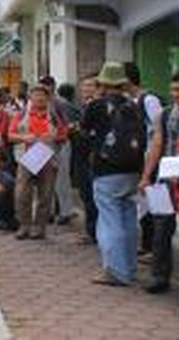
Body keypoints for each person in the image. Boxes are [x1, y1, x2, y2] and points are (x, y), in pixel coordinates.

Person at [81, 62, 146, 286]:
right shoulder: (134, 105)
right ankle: (130, 268)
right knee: (128, 218)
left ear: (103, 83)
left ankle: (115, 271)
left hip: (106, 170)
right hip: (133, 169)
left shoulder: (96, 105)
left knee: (109, 221)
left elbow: (84, 132)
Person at [137, 70, 179, 294]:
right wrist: (147, 176)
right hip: (167, 179)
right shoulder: (165, 115)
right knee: (162, 227)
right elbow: (156, 145)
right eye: (173, 89)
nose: (175, 94)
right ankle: (159, 276)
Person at [9, 85, 68, 240]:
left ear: (47, 98)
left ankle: (39, 227)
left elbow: (63, 135)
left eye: (42, 95)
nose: (39, 98)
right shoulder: (21, 114)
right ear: (30, 98)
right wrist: (24, 137)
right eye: (35, 95)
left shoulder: (54, 116)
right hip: (26, 157)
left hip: (48, 157)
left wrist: (52, 137)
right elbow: (10, 135)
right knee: (22, 192)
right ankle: (24, 225)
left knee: (46, 193)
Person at [124, 63, 163, 261]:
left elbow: (158, 131)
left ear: (128, 79)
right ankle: (147, 245)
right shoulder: (129, 101)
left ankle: (154, 248)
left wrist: (150, 158)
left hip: (152, 159)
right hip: (138, 159)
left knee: (153, 204)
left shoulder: (149, 99)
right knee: (143, 203)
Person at [40, 75, 75, 225]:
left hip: (62, 143)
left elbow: (70, 123)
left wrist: (60, 132)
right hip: (47, 143)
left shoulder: (61, 103)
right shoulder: (42, 103)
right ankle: (53, 210)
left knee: (62, 179)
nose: (43, 89)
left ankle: (66, 212)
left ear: (53, 86)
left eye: (46, 86)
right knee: (48, 178)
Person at [76, 74, 99, 243]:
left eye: (91, 85)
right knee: (86, 195)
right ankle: (91, 231)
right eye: (84, 86)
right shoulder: (84, 106)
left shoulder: (98, 107)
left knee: (92, 196)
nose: (86, 89)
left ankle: (94, 232)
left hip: (93, 157)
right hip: (81, 157)